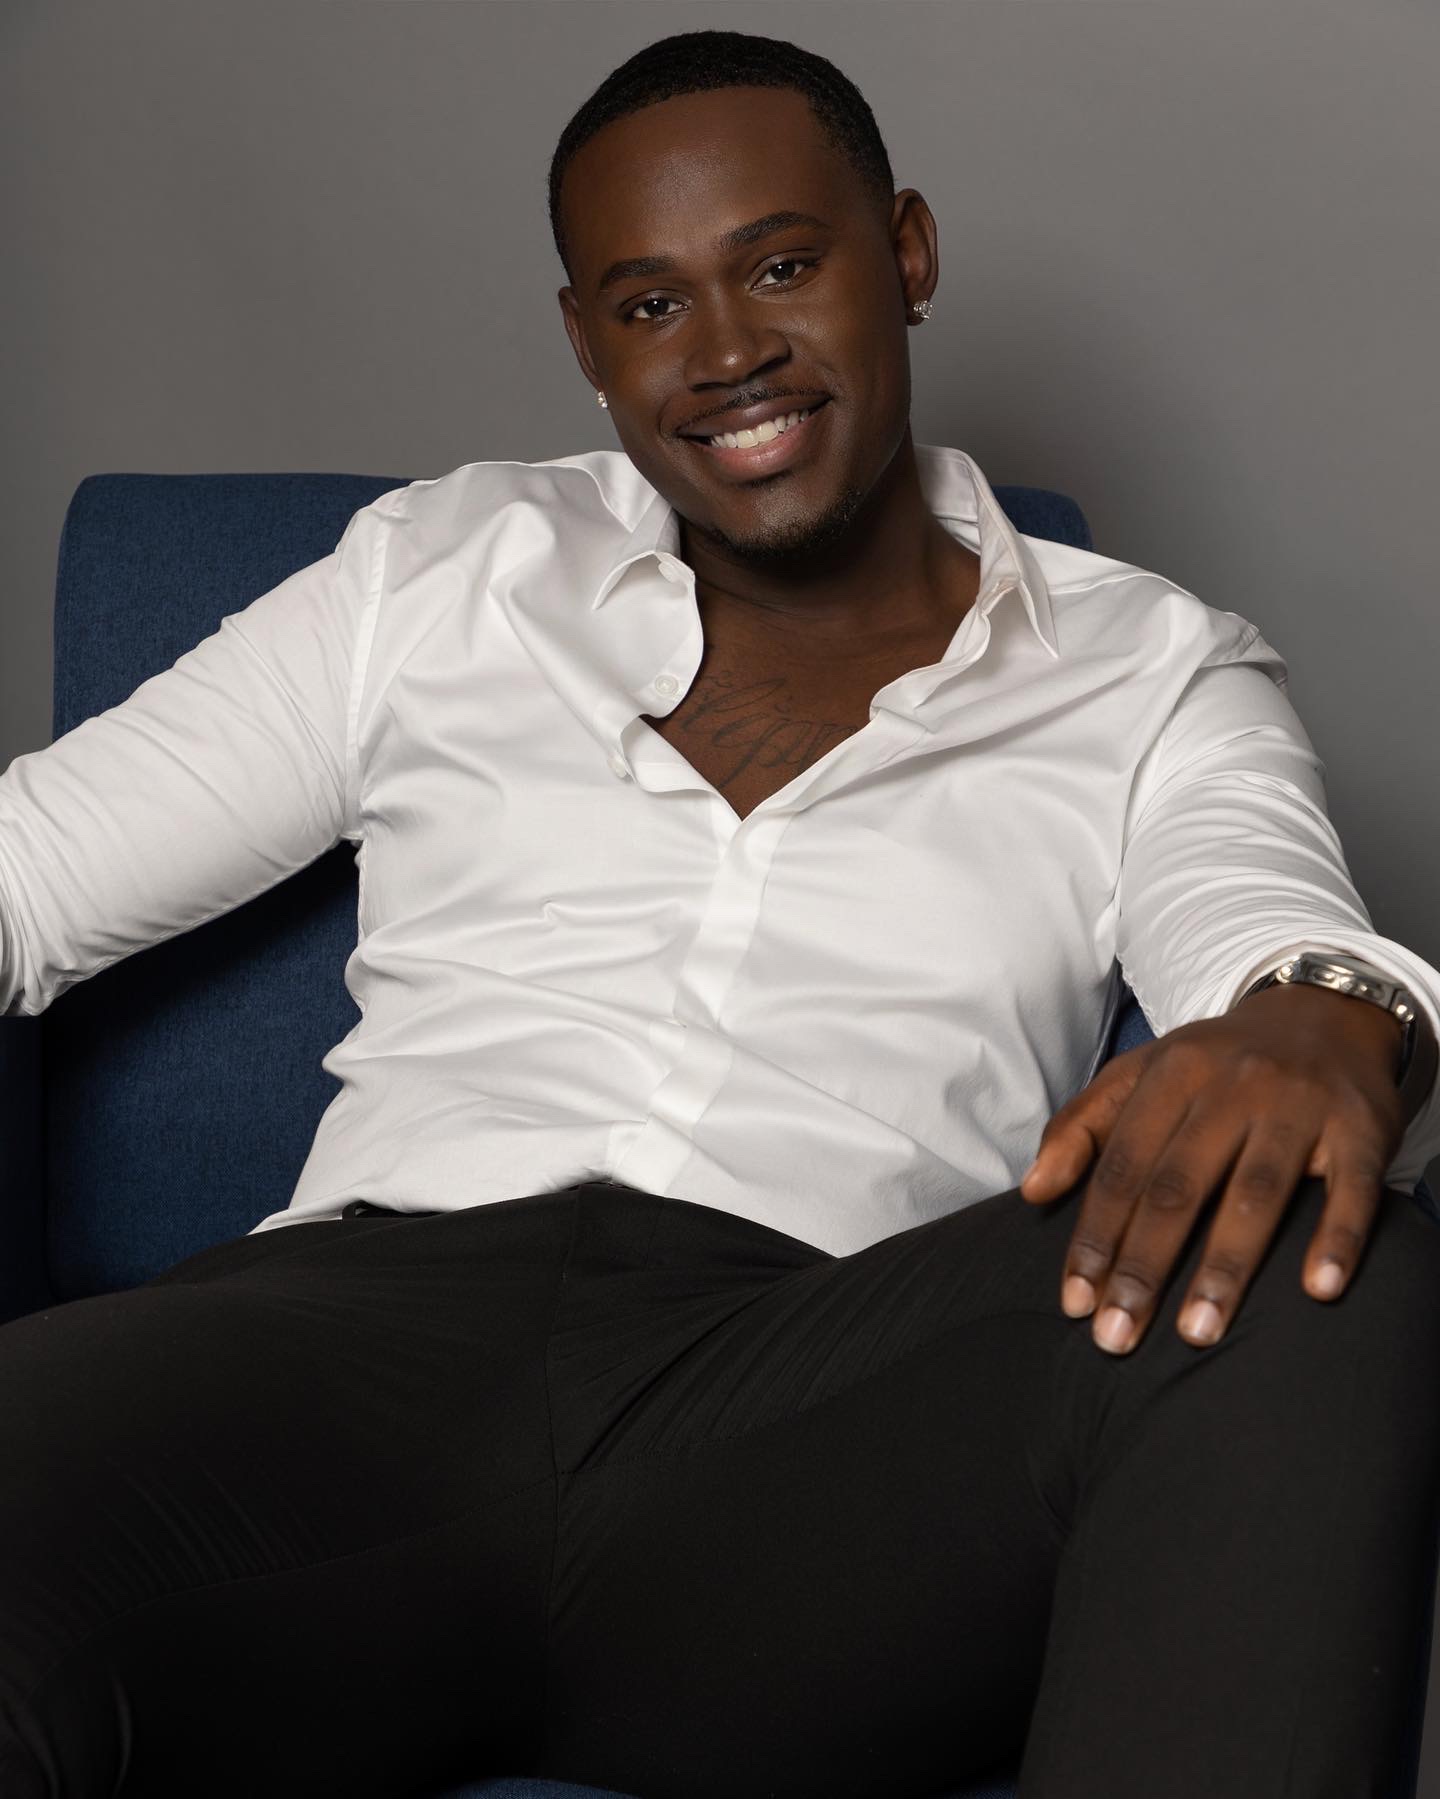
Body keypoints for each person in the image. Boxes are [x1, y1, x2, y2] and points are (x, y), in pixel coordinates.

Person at [1, 26, 1438, 1799]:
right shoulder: (443, 572)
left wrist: (1332, 1018)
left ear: (905, 253)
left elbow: (1280, 952)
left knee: (1311, 1251)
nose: (727, 351)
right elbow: (26, 876)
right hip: (331, 1371)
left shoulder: (1148, 671)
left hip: (802, 1428)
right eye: (650, 302)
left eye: (778, 266)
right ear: (586, 343)